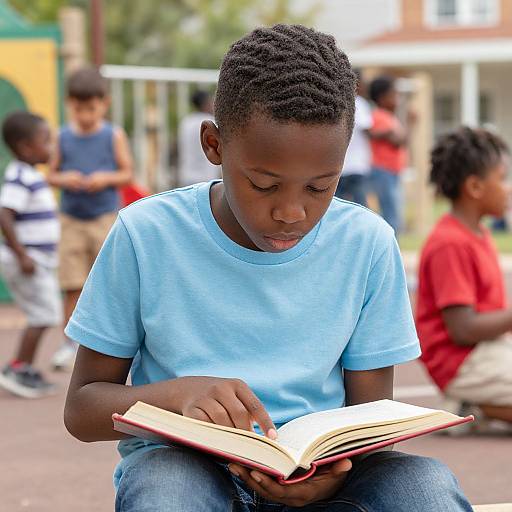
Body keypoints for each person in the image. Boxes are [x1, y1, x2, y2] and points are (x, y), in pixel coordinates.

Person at [63, 25, 471, 511]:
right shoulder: (145, 234)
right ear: (213, 145)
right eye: (263, 185)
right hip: (190, 469)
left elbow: (369, 422)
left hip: (324, 478)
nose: (292, 212)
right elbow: (82, 409)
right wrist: (175, 395)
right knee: (165, 488)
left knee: (424, 486)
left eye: (320, 188)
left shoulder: (367, 243)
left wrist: (328, 476)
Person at [416, 126, 512, 428]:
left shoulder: (478, 232)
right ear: (475, 187)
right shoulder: (450, 243)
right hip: (461, 362)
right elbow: (462, 329)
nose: (509, 187)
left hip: (488, 348)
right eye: (503, 178)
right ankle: (473, 406)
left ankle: (478, 406)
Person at [48, 67, 133, 371]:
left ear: (104, 104)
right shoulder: (62, 136)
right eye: (79, 108)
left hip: (103, 217)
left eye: (92, 108)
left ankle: (109, 343)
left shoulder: (113, 135)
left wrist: (105, 178)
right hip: (71, 218)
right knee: (72, 284)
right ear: (69, 104)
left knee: (107, 281)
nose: (85, 114)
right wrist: (64, 178)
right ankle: (67, 344)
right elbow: (51, 173)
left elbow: (127, 172)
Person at [0, 112, 61, 398]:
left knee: (44, 313)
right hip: (28, 260)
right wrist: (22, 253)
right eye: (45, 141)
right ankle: (18, 368)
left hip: (35, 260)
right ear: (26, 147)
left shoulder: (30, 175)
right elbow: (4, 213)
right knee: (44, 314)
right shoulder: (20, 176)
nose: (50, 147)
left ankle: (22, 366)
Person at [368, 76, 408, 234]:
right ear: (382, 98)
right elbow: (398, 141)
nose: (397, 98)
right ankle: (390, 252)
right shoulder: (379, 116)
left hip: (392, 171)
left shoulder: (390, 117)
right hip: (383, 171)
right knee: (391, 215)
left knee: (394, 213)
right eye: (393, 94)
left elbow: (403, 139)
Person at [334, 69, 372, 206]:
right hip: (356, 166)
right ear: (358, 84)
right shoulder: (359, 103)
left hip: (338, 166)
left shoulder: (337, 102)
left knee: (336, 205)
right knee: (360, 205)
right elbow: (367, 130)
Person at [177, 89, 219, 186]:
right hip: (207, 177)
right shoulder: (210, 122)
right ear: (206, 103)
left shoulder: (186, 122)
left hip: (187, 176)